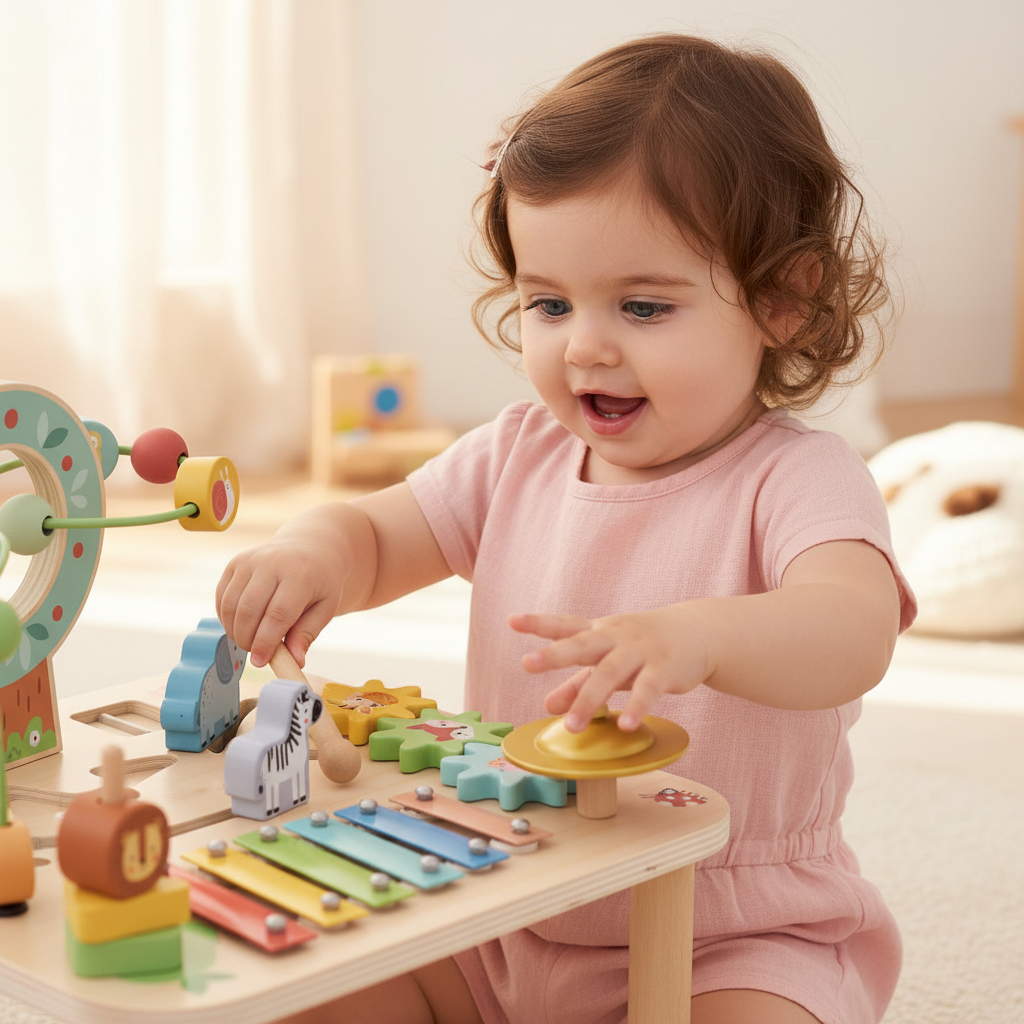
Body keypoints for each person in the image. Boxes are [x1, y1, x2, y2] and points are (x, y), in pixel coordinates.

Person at [216, 33, 916, 1024]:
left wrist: (703, 635)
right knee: (295, 996)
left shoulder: (796, 477)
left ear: (782, 299)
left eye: (640, 304)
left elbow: (855, 627)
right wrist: (316, 550)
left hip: (732, 927)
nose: (585, 344)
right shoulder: (516, 453)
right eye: (547, 301)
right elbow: (381, 535)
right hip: (498, 903)